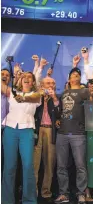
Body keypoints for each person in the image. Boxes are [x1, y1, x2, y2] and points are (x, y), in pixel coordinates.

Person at [54, 68, 93, 204]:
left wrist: (92, 93)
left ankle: (81, 193)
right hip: (62, 133)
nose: (76, 76)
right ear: (69, 79)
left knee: (80, 166)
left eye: (78, 75)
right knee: (61, 166)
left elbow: (92, 103)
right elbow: (60, 110)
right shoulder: (64, 93)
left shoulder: (84, 91)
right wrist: (58, 119)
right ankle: (63, 193)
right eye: (73, 75)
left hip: (78, 133)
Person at [2, 72, 42, 204]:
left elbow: (36, 97)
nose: (26, 78)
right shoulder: (11, 93)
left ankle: (29, 200)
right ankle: (6, 200)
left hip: (27, 131)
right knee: (9, 167)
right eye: (24, 76)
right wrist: (12, 75)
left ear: (33, 82)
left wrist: (23, 98)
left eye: (30, 77)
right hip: (10, 130)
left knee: (28, 166)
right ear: (19, 80)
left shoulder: (35, 95)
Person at [33, 76, 61, 202]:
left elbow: (60, 113)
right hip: (37, 130)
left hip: (51, 130)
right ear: (42, 85)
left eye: (53, 83)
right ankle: (32, 191)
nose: (51, 85)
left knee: (49, 163)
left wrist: (54, 97)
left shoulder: (57, 98)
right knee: (34, 163)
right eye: (48, 83)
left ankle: (46, 192)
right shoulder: (36, 97)